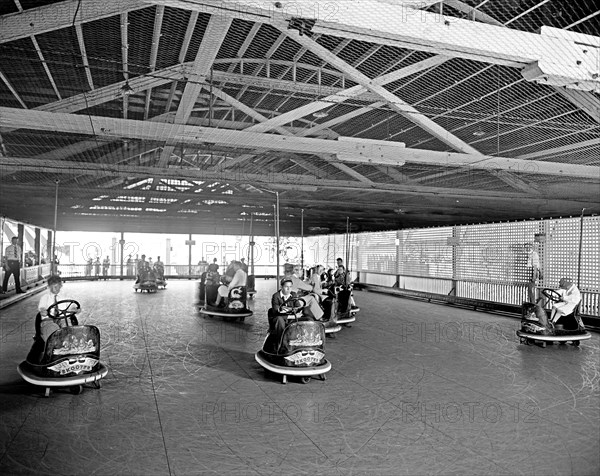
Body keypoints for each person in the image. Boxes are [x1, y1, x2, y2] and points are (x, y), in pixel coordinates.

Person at [36, 275, 80, 342]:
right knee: (52, 329)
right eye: (51, 287)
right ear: (49, 287)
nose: (54, 289)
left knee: (67, 330)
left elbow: (72, 306)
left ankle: (67, 344)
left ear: (60, 285)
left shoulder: (65, 296)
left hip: (63, 319)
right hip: (48, 320)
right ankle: (54, 344)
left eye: (56, 287)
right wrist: (43, 311)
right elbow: (42, 307)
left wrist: (74, 309)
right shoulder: (45, 297)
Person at [266, 278, 300, 352]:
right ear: (281, 287)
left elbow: (298, 306)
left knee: (307, 319)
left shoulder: (293, 294)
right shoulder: (276, 296)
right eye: (286, 287)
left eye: (290, 287)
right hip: (278, 318)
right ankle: (283, 345)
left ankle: (302, 344)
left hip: (291, 318)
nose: (288, 289)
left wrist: (294, 310)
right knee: (279, 320)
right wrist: (289, 311)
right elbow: (276, 310)